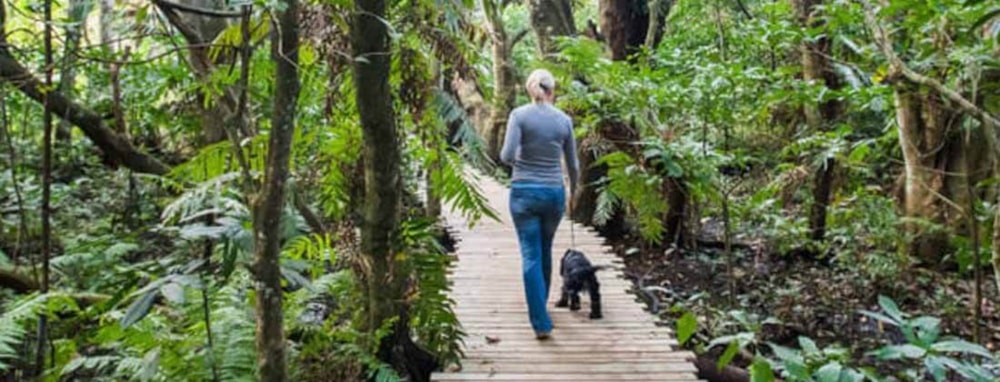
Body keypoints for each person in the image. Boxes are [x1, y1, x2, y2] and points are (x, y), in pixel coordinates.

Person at [500, 69, 580, 340]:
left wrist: (523, 163)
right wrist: (574, 190)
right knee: (545, 249)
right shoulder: (564, 120)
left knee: (530, 254)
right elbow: (573, 165)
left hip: (523, 193)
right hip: (553, 194)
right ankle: (541, 306)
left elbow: (507, 155)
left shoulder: (519, 116)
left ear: (529, 89)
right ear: (552, 90)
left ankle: (540, 322)